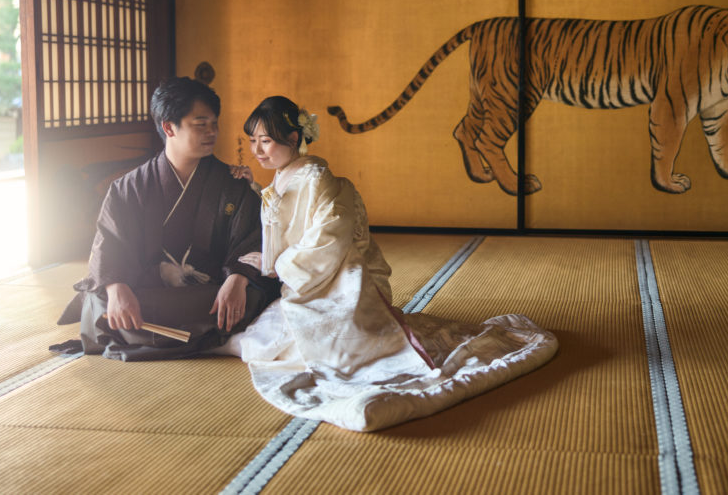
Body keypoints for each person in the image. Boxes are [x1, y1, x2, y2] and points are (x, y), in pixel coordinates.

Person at [225, 95, 558, 432]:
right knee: (264, 342)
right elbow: (281, 223)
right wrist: (252, 188)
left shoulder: (317, 178)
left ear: (293, 138)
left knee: (302, 351)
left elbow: (327, 240)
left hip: (334, 284)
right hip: (306, 281)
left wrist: (279, 264)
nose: (257, 150)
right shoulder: (283, 175)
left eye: (265, 141)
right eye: (252, 141)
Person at [55, 77, 280, 361]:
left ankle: (143, 334)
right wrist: (117, 288)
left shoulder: (232, 184)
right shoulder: (128, 188)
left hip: (210, 294)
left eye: (215, 123)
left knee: (250, 296)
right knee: (101, 298)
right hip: (152, 291)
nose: (212, 132)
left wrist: (237, 279)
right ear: (169, 127)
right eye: (201, 124)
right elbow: (109, 246)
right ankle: (211, 338)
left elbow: (252, 240)